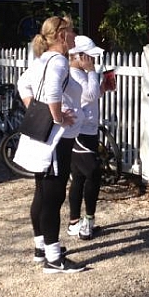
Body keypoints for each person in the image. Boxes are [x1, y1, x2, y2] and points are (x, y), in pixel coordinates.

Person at [13, 16, 86, 274]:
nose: (76, 36)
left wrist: (35, 109)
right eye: (73, 30)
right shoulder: (57, 62)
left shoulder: (41, 60)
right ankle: (54, 259)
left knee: (42, 194)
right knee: (53, 197)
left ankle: (41, 247)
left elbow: (23, 84)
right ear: (63, 34)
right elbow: (53, 91)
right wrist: (57, 116)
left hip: (41, 137)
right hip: (55, 140)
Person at [65, 35, 111, 240]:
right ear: (79, 55)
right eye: (89, 57)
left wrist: (102, 87)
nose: (92, 61)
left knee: (80, 176)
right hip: (80, 131)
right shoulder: (75, 73)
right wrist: (93, 73)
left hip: (88, 130)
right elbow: (89, 95)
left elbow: (91, 95)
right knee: (93, 173)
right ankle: (87, 221)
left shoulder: (80, 74)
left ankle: (75, 221)